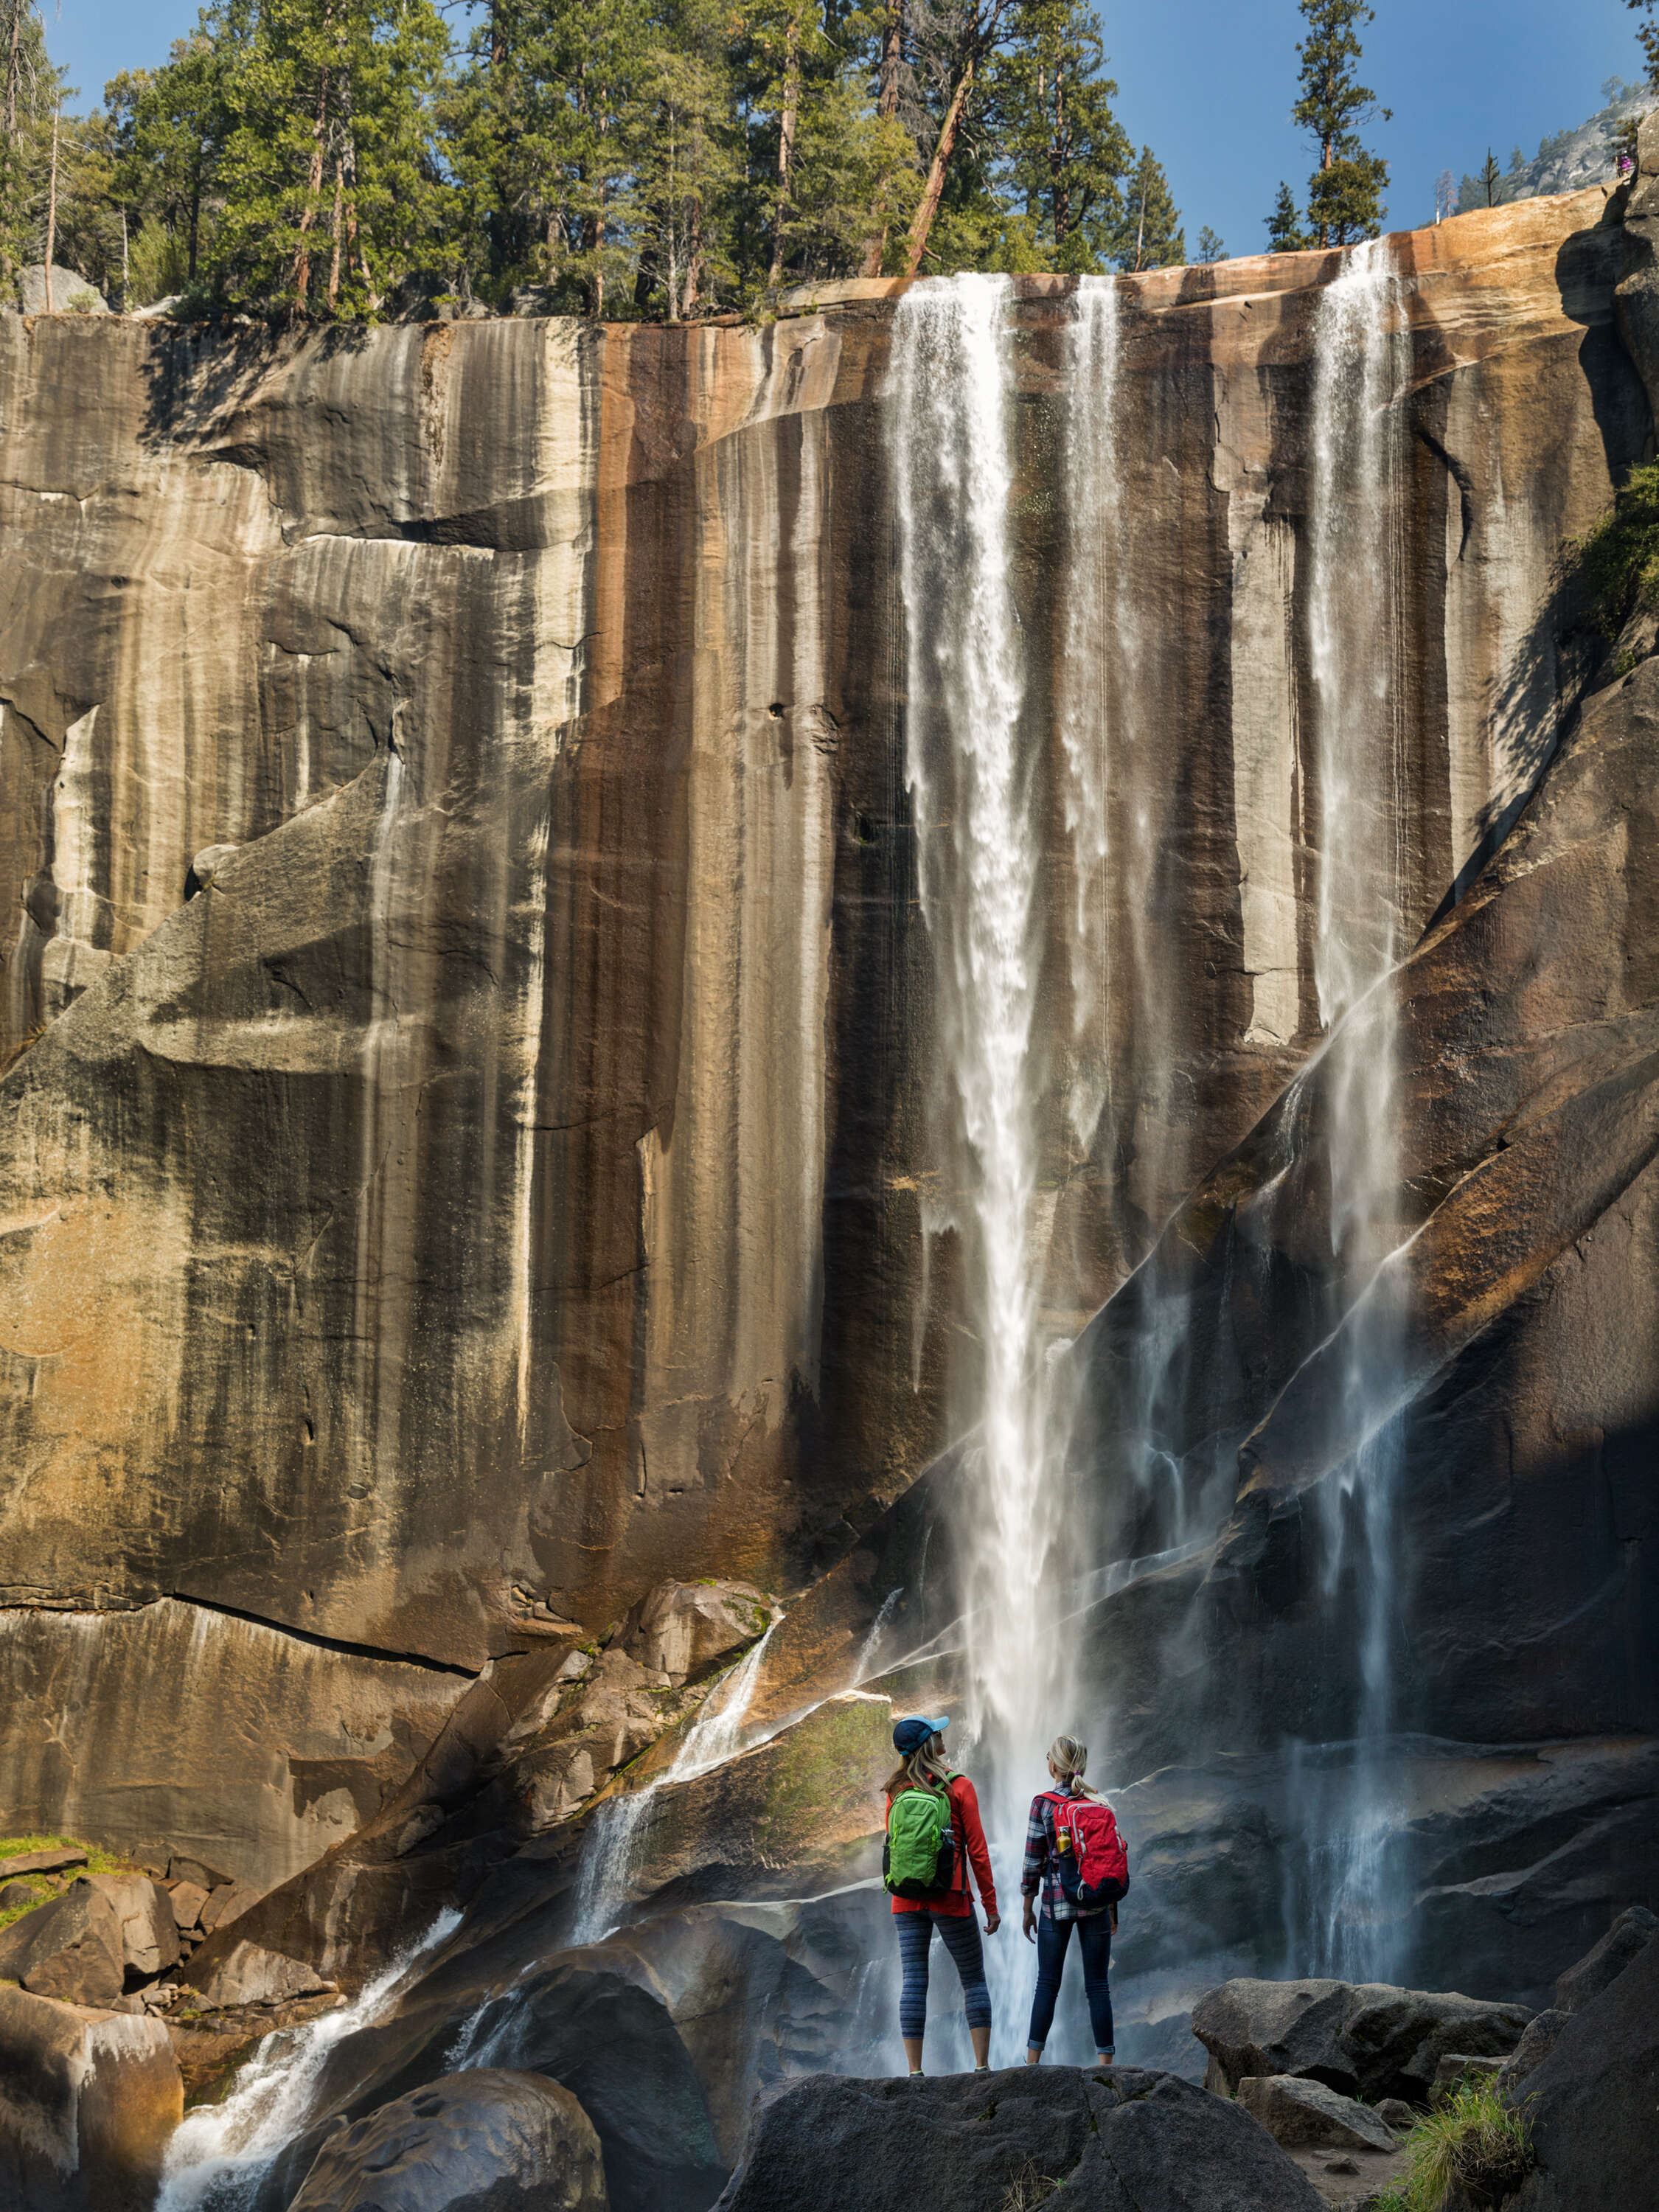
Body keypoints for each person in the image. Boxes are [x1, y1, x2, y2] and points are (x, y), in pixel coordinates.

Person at [883, 1714, 1000, 2076]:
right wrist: (990, 1905)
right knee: (974, 1979)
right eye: (937, 1732)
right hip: (950, 1897)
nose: (942, 1734)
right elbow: (978, 1852)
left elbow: (893, 1846)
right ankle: (982, 2067)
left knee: (914, 1981)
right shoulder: (959, 1786)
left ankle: (914, 2071)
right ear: (929, 1744)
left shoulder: (895, 1791)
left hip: (905, 1900)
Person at [1020, 1734, 1115, 2065]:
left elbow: (1032, 1860)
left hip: (1056, 1903)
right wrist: (1112, 1909)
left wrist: (1027, 1908)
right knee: (1098, 1985)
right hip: (1096, 1902)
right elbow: (1108, 1861)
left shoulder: (1043, 1803)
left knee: (1047, 1982)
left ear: (1054, 1765)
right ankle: (1107, 2064)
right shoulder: (1099, 1802)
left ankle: (1032, 2063)